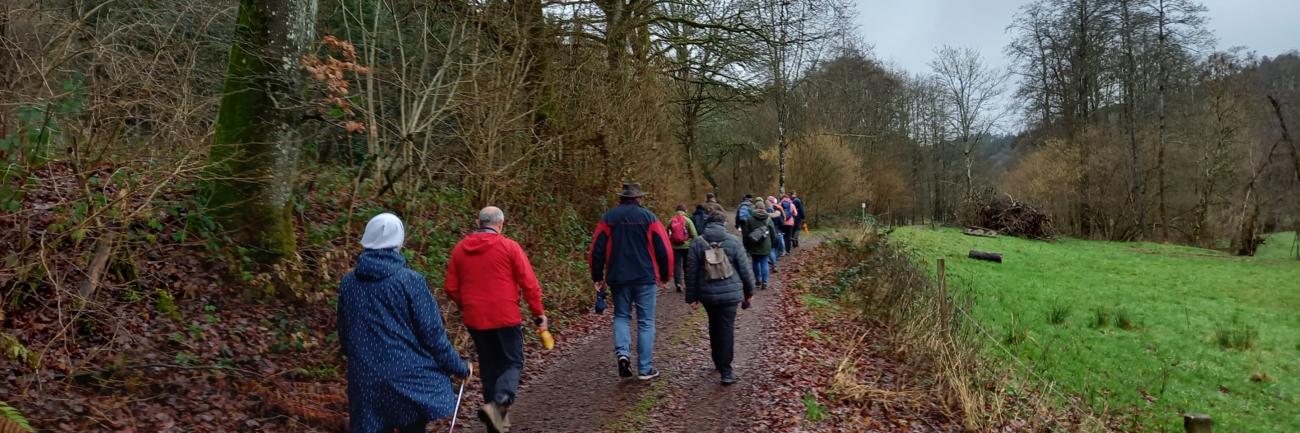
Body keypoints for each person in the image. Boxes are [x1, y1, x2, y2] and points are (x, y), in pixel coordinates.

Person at [338, 213, 471, 433]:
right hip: (408, 382)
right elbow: (432, 335)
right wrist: (458, 367)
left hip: (366, 382)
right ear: (398, 240)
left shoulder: (348, 283)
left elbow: (345, 337)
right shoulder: (410, 281)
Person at [444, 206, 546, 433]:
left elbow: (450, 287)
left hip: (475, 319)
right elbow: (529, 284)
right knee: (513, 362)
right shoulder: (509, 247)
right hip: (505, 316)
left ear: (479, 222)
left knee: (490, 367)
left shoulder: (460, 250)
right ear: (500, 224)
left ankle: (496, 424)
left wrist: (467, 303)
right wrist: (539, 314)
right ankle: (499, 402)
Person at [589, 182, 674, 380]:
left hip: (618, 277)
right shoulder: (649, 218)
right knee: (645, 322)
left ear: (621, 198)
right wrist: (665, 275)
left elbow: (596, 250)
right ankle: (645, 369)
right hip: (645, 278)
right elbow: (665, 250)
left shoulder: (608, 218)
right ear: (638, 198)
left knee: (621, 316)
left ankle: (623, 355)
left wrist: (597, 277)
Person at [684, 204, 756, 385]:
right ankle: (726, 370)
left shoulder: (698, 243)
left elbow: (691, 272)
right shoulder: (734, 241)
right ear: (724, 222)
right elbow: (745, 270)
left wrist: (691, 297)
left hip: (708, 295)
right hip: (730, 295)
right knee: (726, 328)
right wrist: (749, 292)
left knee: (714, 325)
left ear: (708, 223)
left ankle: (718, 360)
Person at [741, 198, 776, 291]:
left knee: (755, 262)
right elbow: (773, 233)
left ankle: (758, 280)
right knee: (764, 262)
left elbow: (745, 234)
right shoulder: (768, 218)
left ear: (755, 208)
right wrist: (772, 243)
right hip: (766, 244)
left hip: (753, 244)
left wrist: (746, 245)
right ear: (764, 208)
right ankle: (765, 281)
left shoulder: (750, 219)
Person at [667, 203, 699, 292]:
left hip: (674, 247)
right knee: (687, 265)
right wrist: (691, 243)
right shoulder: (688, 220)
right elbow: (694, 235)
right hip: (686, 247)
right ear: (685, 210)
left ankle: (678, 283)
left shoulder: (671, 220)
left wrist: (670, 242)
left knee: (676, 265)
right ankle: (688, 284)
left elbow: (666, 233)